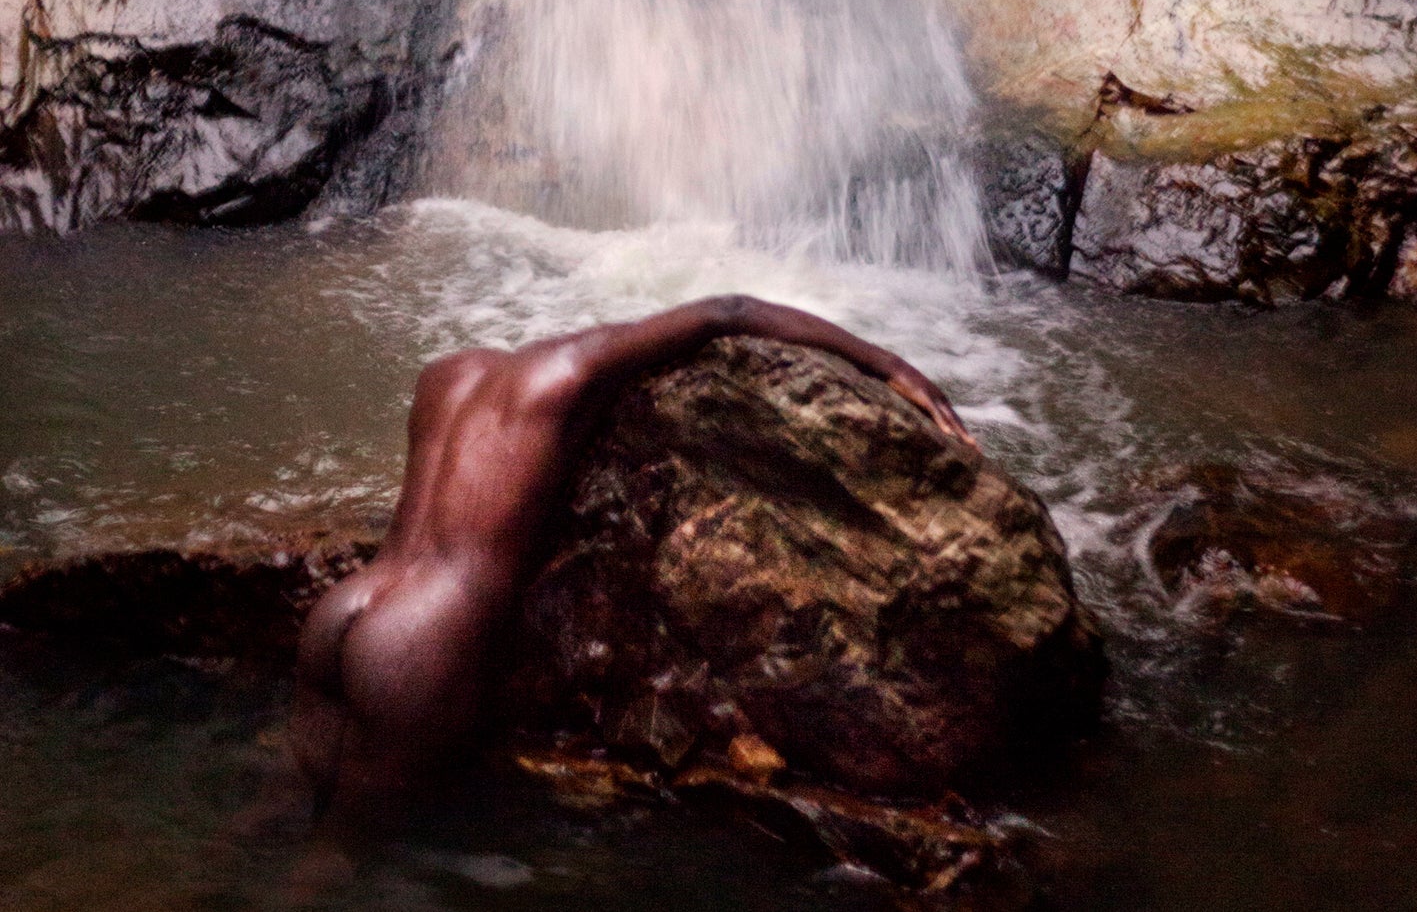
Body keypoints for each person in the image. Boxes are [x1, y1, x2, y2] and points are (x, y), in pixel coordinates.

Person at [289, 293, 974, 823]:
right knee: (342, 860)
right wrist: (886, 363)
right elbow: (727, 311)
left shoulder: (444, 376)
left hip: (347, 606)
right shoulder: (568, 370)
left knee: (276, 807)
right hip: (420, 638)